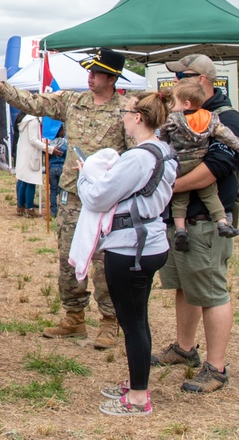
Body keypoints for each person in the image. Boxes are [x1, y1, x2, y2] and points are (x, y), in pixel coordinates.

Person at [0, 48, 130, 350]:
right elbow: (33, 102)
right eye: (90, 71)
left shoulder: (126, 110)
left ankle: (110, 322)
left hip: (108, 199)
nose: (91, 76)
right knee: (68, 258)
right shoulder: (73, 101)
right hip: (73, 195)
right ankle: (74, 317)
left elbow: (137, 154)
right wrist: (2, 88)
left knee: (105, 262)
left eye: (97, 72)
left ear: (111, 78)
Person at [152, 53, 239, 393]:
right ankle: (184, 348)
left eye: (184, 76)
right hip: (183, 221)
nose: (176, 82)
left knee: (211, 292)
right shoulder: (184, 116)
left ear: (204, 81)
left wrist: (170, 187)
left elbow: (219, 166)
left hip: (207, 220)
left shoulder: (225, 119)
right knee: (185, 285)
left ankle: (217, 368)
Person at [75, 92, 177, 416]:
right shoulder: (164, 152)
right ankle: (137, 381)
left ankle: (137, 397)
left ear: (138, 118)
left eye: (126, 111)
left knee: (132, 324)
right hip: (151, 243)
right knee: (139, 320)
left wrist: (83, 175)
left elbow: (97, 198)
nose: (122, 116)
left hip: (130, 248)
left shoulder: (138, 158)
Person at [161, 79, 239, 251]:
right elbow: (226, 135)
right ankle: (222, 222)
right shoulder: (211, 118)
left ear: (185, 103)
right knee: (211, 195)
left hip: (180, 166)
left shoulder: (173, 119)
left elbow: (161, 137)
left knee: (179, 201)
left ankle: (180, 230)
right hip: (199, 160)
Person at [33, 124, 66, 218]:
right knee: (62, 190)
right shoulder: (65, 144)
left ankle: (53, 211)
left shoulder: (50, 144)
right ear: (61, 132)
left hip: (52, 169)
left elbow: (46, 154)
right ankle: (61, 209)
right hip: (61, 168)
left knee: (53, 190)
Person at [13, 113, 43, 217]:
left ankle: (20, 207)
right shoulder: (33, 120)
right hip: (31, 155)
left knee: (23, 181)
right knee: (31, 182)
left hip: (23, 153)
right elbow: (33, 140)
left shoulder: (23, 119)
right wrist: (49, 148)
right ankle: (29, 209)